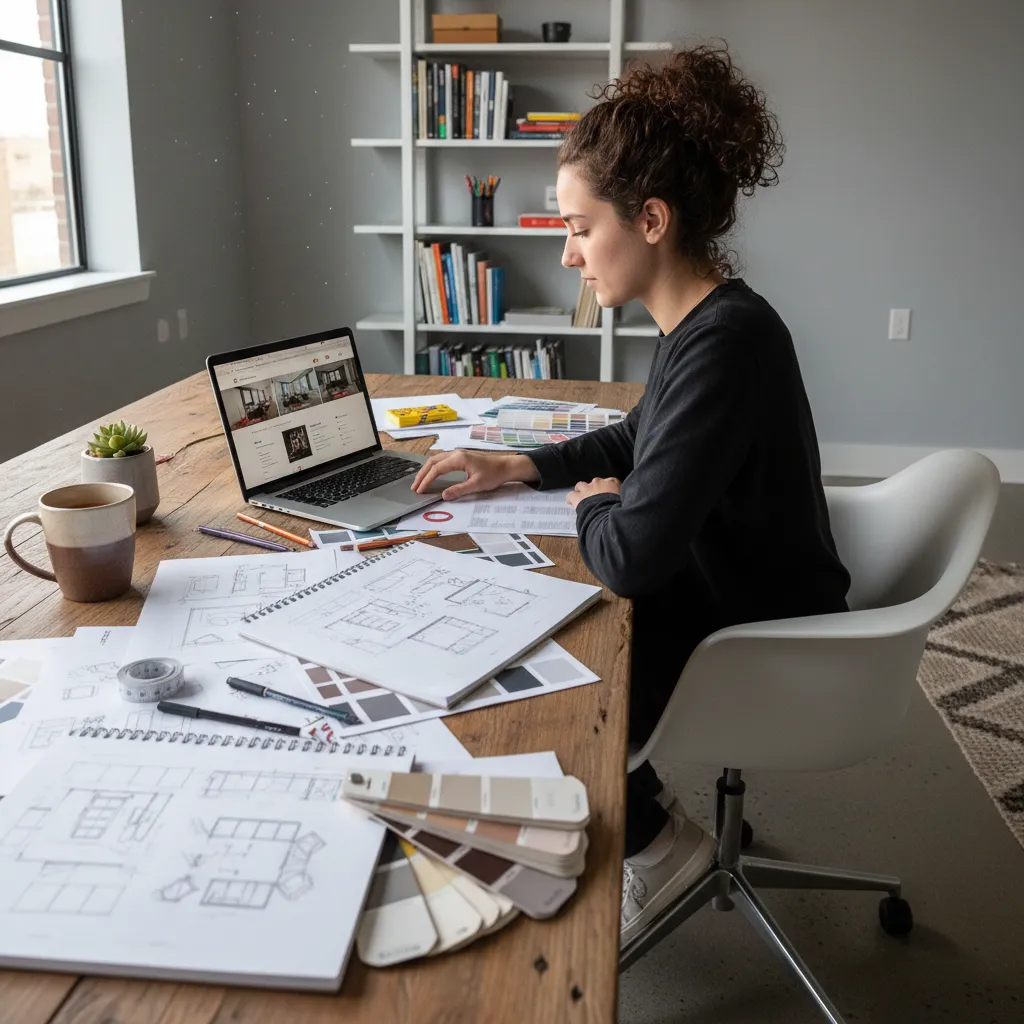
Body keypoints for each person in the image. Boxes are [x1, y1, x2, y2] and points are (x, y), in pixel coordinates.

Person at [411, 44, 851, 946]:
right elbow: (638, 437)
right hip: (745, 590)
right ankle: (659, 836)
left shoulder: (722, 345)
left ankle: (653, 843)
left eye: (578, 226)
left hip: (758, 633)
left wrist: (591, 508)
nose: (568, 253)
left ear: (649, 219)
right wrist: (524, 467)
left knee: (535, 657)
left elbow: (632, 553)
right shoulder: (710, 321)